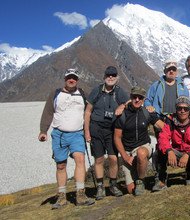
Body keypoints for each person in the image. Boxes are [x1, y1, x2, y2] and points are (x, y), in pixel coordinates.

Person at [38, 68, 95, 209]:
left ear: (77, 80)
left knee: (80, 160)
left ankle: (80, 194)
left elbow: (91, 109)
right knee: (61, 165)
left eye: (74, 78)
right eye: (69, 77)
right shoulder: (56, 94)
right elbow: (48, 112)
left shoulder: (82, 94)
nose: (71, 80)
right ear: (65, 79)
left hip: (77, 134)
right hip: (59, 134)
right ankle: (62, 196)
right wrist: (43, 130)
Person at [84, 66, 129, 200]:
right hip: (96, 129)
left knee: (114, 158)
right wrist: (86, 131)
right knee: (98, 159)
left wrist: (122, 105)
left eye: (113, 75)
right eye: (108, 75)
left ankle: (113, 185)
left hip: (112, 130)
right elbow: (88, 111)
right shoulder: (96, 91)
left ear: (117, 78)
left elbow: (129, 102)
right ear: (104, 77)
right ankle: (100, 187)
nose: (110, 77)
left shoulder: (119, 92)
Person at [144, 59, 189, 191]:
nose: (171, 71)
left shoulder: (182, 85)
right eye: (169, 69)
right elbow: (147, 100)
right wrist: (150, 109)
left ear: (176, 71)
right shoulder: (157, 85)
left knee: (183, 144)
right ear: (164, 71)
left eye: (173, 69)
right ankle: (161, 178)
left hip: (178, 119)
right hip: (162, 119)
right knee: (161, 147)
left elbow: (187, 103)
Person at [114, 86, 164, 196]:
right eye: (134, 97)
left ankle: (141, 181)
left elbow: (163, 127)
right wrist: (125, 157)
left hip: (143, 146)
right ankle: (137, 176)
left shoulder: (147, 113)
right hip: (128, 152)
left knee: (141, 153)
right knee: (130, 190)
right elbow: (117, 138)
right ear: (130, 98)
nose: (137, 100)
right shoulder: (122, 115)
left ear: (143, 100)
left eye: (140, 97)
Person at [154, 96, 190, 189]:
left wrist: (188, 154)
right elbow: (162, 138)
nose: (182, 111)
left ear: (189, 110)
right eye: (179, 108)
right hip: (176, 152)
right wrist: (169, 151)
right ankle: (161, 179)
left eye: (185, 108)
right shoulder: (169, 121)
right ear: (176, 109)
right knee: (157, 153)